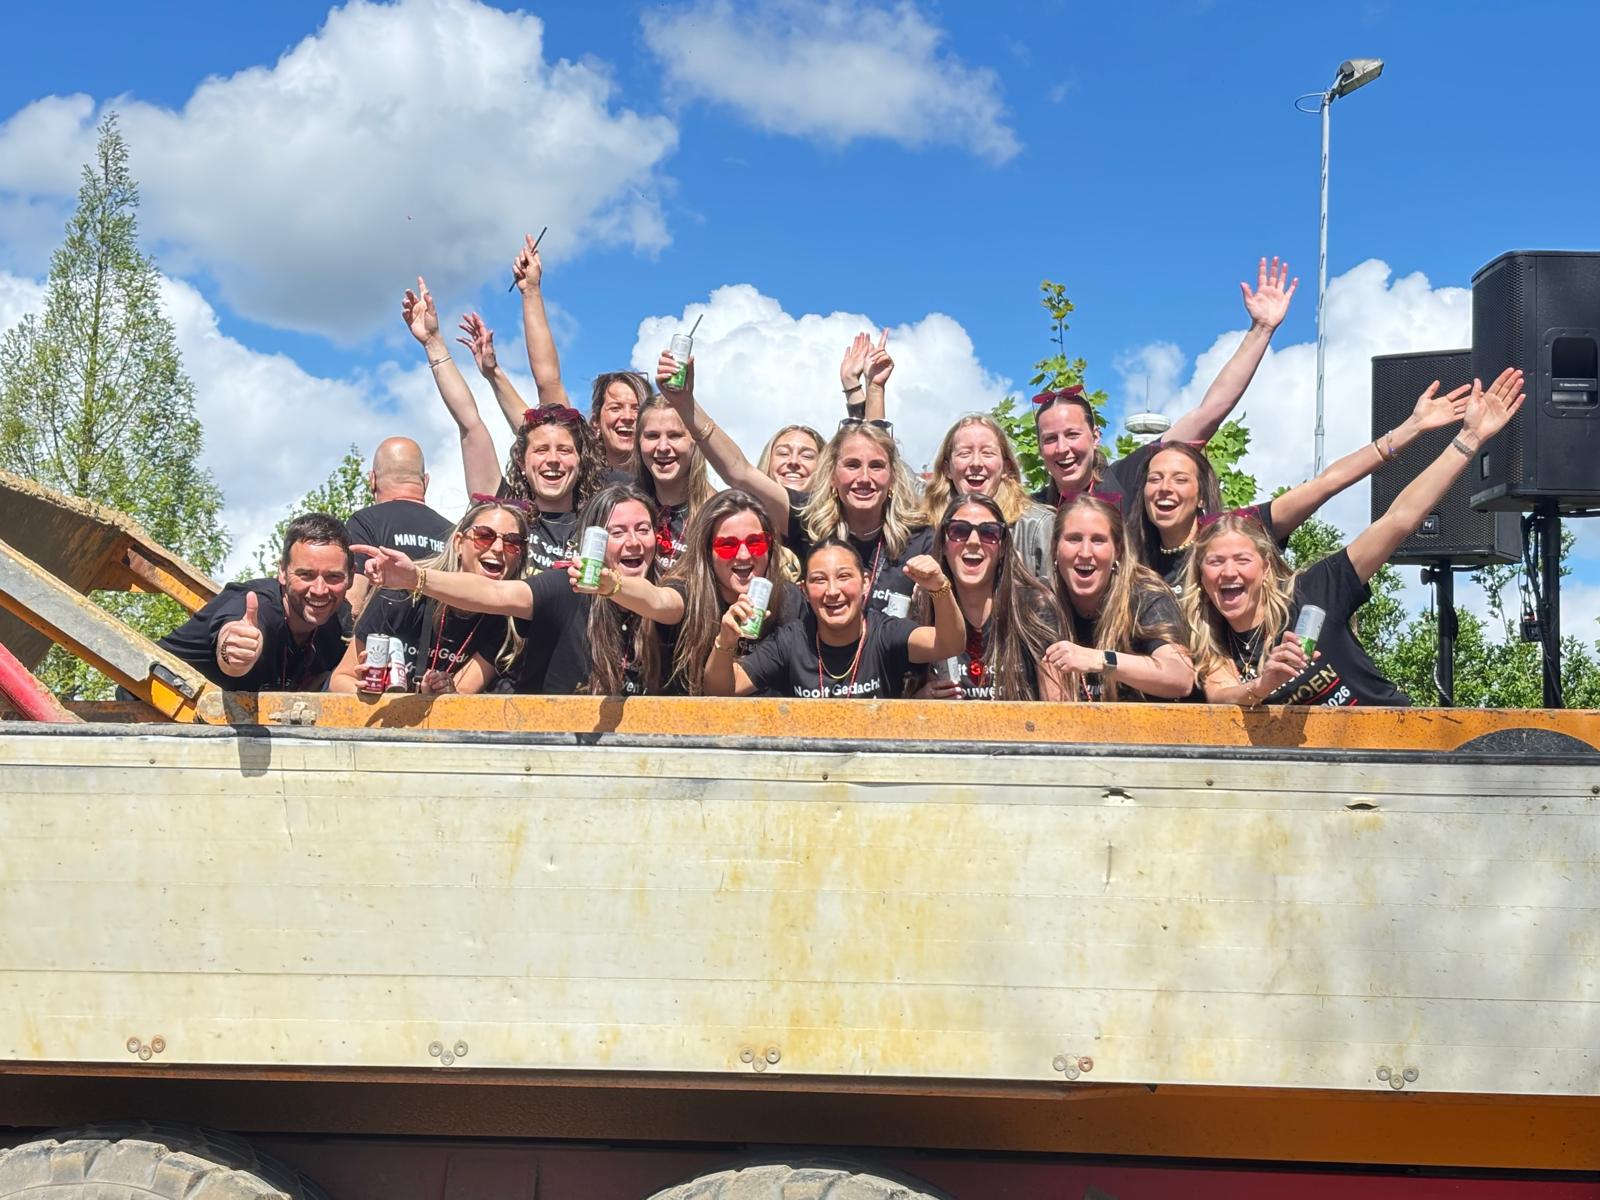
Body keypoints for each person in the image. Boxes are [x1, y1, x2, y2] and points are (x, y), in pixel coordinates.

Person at [1184, 368, 1525, 708]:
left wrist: (1469, 439)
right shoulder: (1211, 637)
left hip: (1387, 743)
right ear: (1202, 576)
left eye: (1241, 559)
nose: (1229, 571)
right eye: (1215, 562)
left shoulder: (1317, 590)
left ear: (1267, 569)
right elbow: (1221, 694)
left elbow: (1398, 519)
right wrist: (1263, 684)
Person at [655, 352, 934, 619]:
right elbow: (739, 472)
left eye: (876, 467)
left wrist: (874, 391)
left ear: (893, 477)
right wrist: (684, 403)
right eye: (851, 466)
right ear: (832, 476)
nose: (864, 477)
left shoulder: (921, 538)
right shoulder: (810, 521)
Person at [1128, 379, 1474, 593]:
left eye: (1179, 479)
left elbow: (1328, 483)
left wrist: (1409, 429)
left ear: (1201, 494)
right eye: (1154, 479)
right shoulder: (1131, 554)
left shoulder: (1235, 533)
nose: (1164, 488)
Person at [358, 483, 680, 695]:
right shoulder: (566, 586)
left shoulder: (672, 591)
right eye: (617, 532)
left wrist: (615, 587)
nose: (633, 542)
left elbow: (664, 604)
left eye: (643, 529)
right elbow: (496, 593)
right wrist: (416, 578)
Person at [1032, 256, 1297, 512]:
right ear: (1040, 448)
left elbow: (1208, 414)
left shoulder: (1130, 479)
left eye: (1072, 434)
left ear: (1095, 436)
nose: (1062, 448)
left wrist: (1261, 330)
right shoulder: (1028, 512)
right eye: (1050, 439)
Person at [404, 276, 605, 571]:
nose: (552, 460)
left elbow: (550, 381)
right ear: (522, 462)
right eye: (541, 450)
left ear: (580, 460)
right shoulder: (504, 510)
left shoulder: (599, 522)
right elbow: (470, 424)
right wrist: (434, 343)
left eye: (564, 450)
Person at [705, 539, 960, 699]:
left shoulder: (884, 632)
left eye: (844, 576)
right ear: (804, 590)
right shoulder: (793, 639)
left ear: (865, 584)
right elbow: (723, 689)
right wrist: (725, 640)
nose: (833, 591)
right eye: (819, 580)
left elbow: (949, 644)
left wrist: (940, 588)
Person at [331, 499, 527, 695]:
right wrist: (370, 693)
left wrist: (445, 693)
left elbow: (463, 692)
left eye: (513, 542)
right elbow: (341, 679)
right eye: (484, 535)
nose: (499, 548)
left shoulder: (507, 623)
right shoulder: (400, 597)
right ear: (458, 543)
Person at [158, 514, 352, 692]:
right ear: (283, 572)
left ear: (350, 577)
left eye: (333, 576)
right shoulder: (256, 605)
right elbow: (231, 637)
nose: (319, 590)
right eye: (305, 575)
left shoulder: (339, 623)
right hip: (144, 703)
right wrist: (235, 652)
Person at [910, 493, 1064, 701]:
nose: (973, 542)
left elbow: (1057, 707)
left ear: (1002, 549)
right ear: (944, 545)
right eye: (959, 531)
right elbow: (899, 696)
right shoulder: (925, 603)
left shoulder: (1034, 606)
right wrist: (920, 700)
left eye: (989, 533)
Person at [1043, 493, 1195, 702]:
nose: (1085, 552)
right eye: (1074, 539)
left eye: (1098, 540)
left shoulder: (1145, 595)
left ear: (1118, 551)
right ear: (1055, 549)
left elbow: (1180, 677)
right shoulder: (1041, 600)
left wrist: (1100, 660)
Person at [655, 490, 801, 695]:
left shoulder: (791, 600)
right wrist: (611, 585)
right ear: (707, 551)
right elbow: (656, 601)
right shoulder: (689, 594)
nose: (743, 555)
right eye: (727, 546)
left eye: (755, 543)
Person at [922, 414, 1055, 580]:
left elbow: (1054, 600)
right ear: (947, 468)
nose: (976, 463)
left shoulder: (1037, 525)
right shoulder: (929, 524)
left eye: (988, 453)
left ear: (1006, 468)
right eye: (964, 453)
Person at [344, 437, 453, 618]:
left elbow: (353, 602)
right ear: (426, 482)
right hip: (441, 644)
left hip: (377, 642)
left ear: (372, 480)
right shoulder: (453, 532)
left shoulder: (364, 522)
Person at [633, 394, 715, 570]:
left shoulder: (717, 513)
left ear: (695, 441)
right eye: (652, 436)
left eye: (675, 435)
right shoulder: (625, 508)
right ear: (638, 442)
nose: (662, 447)